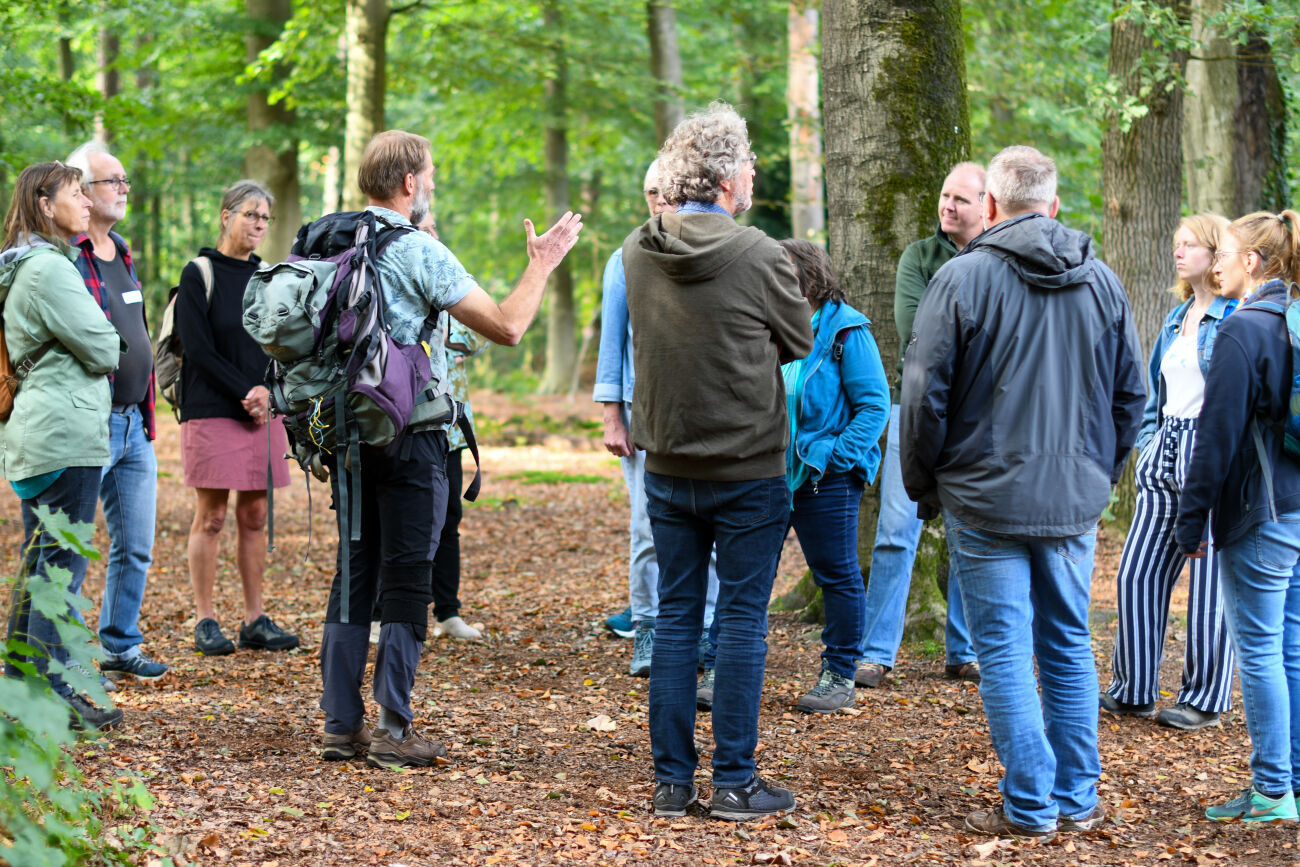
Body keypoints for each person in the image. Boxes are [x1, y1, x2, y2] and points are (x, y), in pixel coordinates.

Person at [901, 145, 1145, 838]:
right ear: (1054, 205)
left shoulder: (962, 280)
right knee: (1066, 641)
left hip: (985, 497)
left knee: (1005, 647)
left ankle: (1034, 802)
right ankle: (1072, 795)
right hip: (1065, 497)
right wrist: (1100, 476)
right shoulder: (1102, 281)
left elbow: (922, 396)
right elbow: (1135, 398)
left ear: (994, 207)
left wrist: (925, 483)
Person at [317, 130, 581, 769]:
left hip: (345, 433)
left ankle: (340, 724)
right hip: (412, 433)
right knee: (409, 574)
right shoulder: (415, 249)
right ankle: (393, 728)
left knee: (354, 570)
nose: (428, 184)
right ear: (410, 184)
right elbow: (508, 325)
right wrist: (541, 262)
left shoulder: (322, 238)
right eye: (427, 175)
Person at [624, 102, 813, 820]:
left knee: (675, 617)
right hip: (747, 469)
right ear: (728, 175)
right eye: (753, 164)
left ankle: (672, 782)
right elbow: (798, 339)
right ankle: (734, 780)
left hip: (668, 464)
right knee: (739, 620)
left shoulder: (638, 248)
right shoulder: (762, 255)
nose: (756, 174)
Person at [1175, 209, 1300, 823]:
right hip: (1299, 513)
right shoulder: (1294, 319)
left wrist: (1190, 520)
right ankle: (1292, 783)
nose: (1216, 262)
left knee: (1259, 653)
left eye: (1223, 251)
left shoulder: (1241, 331)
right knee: (1292, 649)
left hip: (1259, 516)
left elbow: (1215, 441)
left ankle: (1272, 790)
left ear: (1251, 261)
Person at [0, 161, 124, 730]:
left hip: (40, 433)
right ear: (46, 205)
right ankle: (46, 698)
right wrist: (104, 342)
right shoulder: (48, 270)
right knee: (57, 569)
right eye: (76, 193)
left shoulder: (30, 265)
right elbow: (103, 347)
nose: (85, 200)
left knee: (41, 563)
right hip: (63, 435)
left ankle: (23, 691)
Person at [1103, 214, 1238, 730]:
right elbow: (1156, 397)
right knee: (1136, 571)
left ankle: (1203, 698)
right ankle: (1132, 688)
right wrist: (1149, 441)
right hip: (1165, 449)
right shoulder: (1173, 318)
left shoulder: (1235, 317)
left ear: (1215, 253)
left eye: (1190, 245)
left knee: (1207, 581)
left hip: (1208, 453)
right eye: (1176, 244)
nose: (1178, 253)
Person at [857, 162, 984, 690]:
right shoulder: (919, 256)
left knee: (968, 533)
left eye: (960, 199)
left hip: (976, 415)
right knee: (895, 530)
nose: (947, 206)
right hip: (913, 410)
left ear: (987, 204)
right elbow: (917, 332)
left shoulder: (997, 257)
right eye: (944, 195)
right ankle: (876, 653)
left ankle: (966, 650)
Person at [593, 159, 719, 677]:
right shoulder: (628, 255)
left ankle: (707, 631)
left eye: (663, 191)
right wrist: (610, 416)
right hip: (640, 411)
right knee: (648, 527)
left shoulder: (711, 248)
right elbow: (612, 341)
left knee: (709, 525)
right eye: (648, 191)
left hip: (703, 412)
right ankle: (647, 627)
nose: (656, 201)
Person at [176, 180, 298, 657]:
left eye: (265, 217)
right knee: (212, 516)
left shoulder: (271, 276)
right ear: (226, 215)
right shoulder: (198, 273)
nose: (259, 224)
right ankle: (205, 619)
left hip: (262, 411)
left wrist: (268, 390)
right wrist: (244, 391)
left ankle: (254, 618)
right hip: (211, 409)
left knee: (255, 514)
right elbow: (199, 349)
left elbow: (283, 341)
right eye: (250, 214)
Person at [64, 141, 169, 686]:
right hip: (90, 424)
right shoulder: (65, 254)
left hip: (135, 425)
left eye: (125, 180)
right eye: (113, 181)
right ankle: (69, 662)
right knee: (73, 549)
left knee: (135, 545)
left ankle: (119, 645)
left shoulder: (121, 249)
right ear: (80, 188)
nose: (124, 189)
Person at [778, 239, 889, 714]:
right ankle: (722, 668)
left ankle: (838, 673)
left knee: (837, 575)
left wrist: (836, 457)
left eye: (780, 273)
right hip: (769, 470)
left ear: (807, 277)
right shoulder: (772, 324)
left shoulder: (847, 330)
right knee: (748, 574)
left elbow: (874, 406)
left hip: (825, 474)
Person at [415, 207, 488, 642]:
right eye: (424, 229)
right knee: (400, 518)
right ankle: (381, 612)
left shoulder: (453, 280)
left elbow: (479, 336)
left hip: (453, 426)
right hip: (407, 421)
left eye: (435, 228)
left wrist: (445, 331)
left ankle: (448, 612)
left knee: (449, 517)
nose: (432, 235)